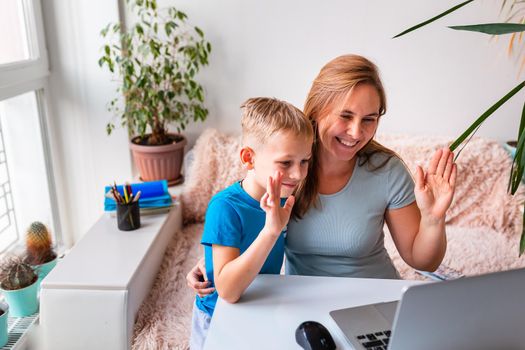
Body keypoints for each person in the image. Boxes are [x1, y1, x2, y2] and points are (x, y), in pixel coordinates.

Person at [187, 54, 457, 290]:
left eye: (369, 120)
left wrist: (433, 219)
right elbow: (242, 217)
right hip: (307, 305)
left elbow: (421, 259)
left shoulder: (386, 170)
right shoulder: (288, 167)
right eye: (345, 116)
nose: (356, 132)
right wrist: (213, 262)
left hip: (375, 297)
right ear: (317, 110)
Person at [189, 97, 314, 350]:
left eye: (305, 161)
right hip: (220, 318)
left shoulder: (285, 197)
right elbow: (228, 292)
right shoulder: (224, 207)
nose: (299, 174)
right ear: (248, 158)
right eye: (286, 163)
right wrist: (271, 231)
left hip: (262, 307)